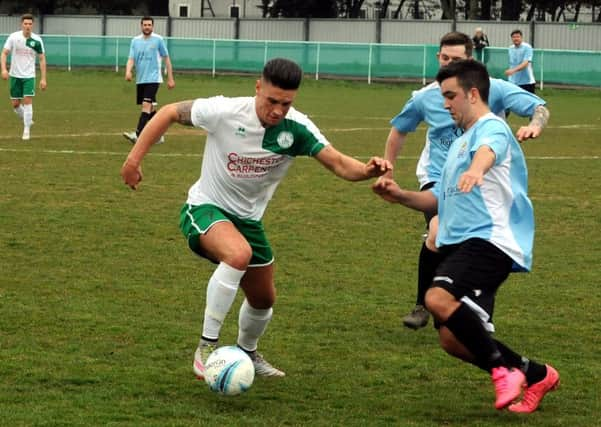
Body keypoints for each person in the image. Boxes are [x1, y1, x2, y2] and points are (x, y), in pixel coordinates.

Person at [120, 58, 392, 378]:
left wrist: (367, 170)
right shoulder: (225, 111)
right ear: (258, 88)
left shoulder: (298, 128)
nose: (277, 111)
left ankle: (246, 352)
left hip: (248, 221)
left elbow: (338, 163)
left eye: (286, 104)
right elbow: (167, 112)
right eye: (272, 101)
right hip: (206, 208)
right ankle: (207, 346)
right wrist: (133, 159)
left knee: (264, 299)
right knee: (239, 254)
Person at [373, 59, 559, 413]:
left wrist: (476, 169)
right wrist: (399, 195)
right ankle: (537, 374)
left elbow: (488, 153)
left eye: (450, 96)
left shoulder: (491, 128)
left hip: (491, 241)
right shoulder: (458, 146)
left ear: (473, 94)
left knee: (437, 297)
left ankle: (503, 370)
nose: (445, 105)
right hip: (465, 243)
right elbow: (436, 200)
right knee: (453, 340)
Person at [379, 32, 549, 330]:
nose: (449, 63)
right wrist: (388, 169)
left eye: (456, 60)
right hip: (437, 176)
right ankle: (423, 304)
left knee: (477, 243)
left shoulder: (490, 88)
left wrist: (534, 126)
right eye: (445, 58)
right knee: (436, 233)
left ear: (470, 61)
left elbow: (539, 107)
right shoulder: (425, 96)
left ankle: (475, 313)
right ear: (438, 58)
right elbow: (399, 130)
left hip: (482, 180)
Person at [123, 16, 175, 144]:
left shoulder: (158, 40)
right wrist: (128, 71)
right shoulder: (135, 41)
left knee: (146, 106)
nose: (147, 27)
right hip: (141, 80)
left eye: (149, 25)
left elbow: (166, 59)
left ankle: (138, 135)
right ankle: (159, 135)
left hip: (154, 79)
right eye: (145, 25)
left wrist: (170, 78)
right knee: (150, 108)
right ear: (141, 26)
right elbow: (131, 58)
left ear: (153, 26)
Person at [1, 13, 47, 141]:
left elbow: (42, 59)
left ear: (33, 25)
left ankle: (26, 130)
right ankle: (27, 120)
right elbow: (4, 53)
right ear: (21, 24)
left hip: (29, 76)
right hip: (15, 75)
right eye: (25, 23)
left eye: (30, 24)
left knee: (27, 101)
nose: (27, 26)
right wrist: (4, 69)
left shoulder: (37, 40)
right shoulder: (14, 37)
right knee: (15, 104)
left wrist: (43, 79)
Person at [505, 29, 536, 93]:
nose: (516, 39)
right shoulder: (510, 48)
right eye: (514, 37)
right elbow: (512, 63)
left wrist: (513, 70)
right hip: (513, 81)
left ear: (521, 38)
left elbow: (525, 63)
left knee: (529, 102)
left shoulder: (527, 47)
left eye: (518, 37)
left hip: (526, 82)